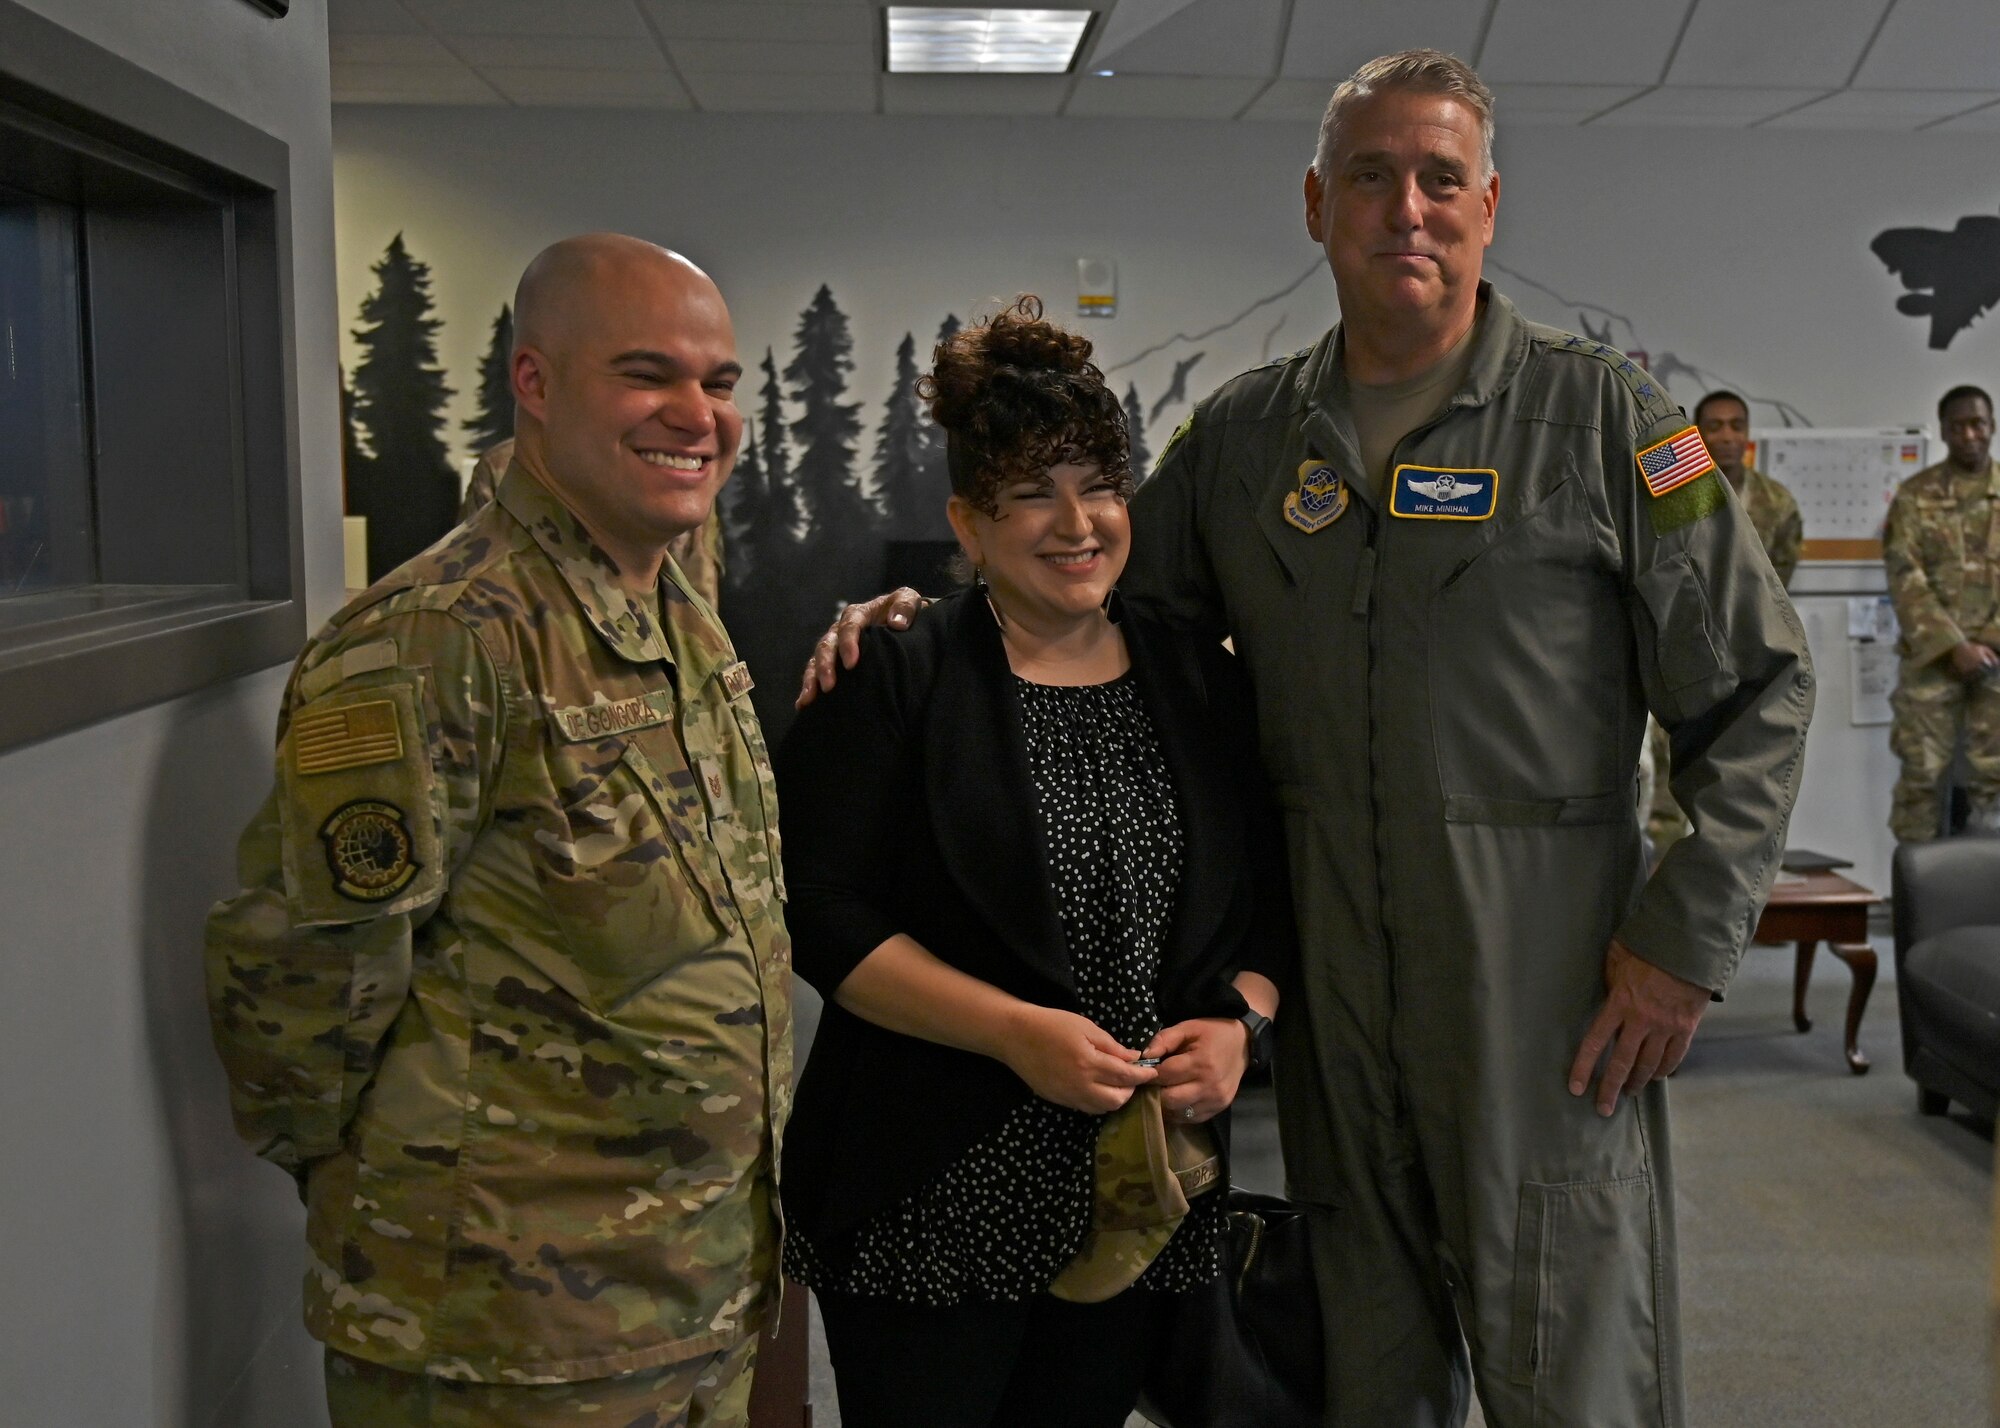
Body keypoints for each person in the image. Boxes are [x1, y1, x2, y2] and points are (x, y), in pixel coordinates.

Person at [801, 50, 1812, 1428]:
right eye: (1371, 176)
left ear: (1489, 204)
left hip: (1546, 994)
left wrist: (1682, 947)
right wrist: (921, 617)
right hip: (1331, 1008)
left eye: (1441, 178)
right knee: (1363, 1371)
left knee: (1569, 1352)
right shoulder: (1247, 439)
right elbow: (1095, 618)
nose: (1409, 207)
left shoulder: (1612, 423)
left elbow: (1754, 688)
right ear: (1315, 204)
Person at [204, 234, 790, 1427]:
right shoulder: (437, 639)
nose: (696, 414)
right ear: (533, 382)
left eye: (719, 382)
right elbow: (302, 982)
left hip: (688, 1292)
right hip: (502, 1340)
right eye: (647, 374)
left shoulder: (671, 603)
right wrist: (390, 1190)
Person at [776, 298, 1292, 1428]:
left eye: (1097, 487)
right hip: (930, 1190)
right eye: (1028, 495)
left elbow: (1271, 901)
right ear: (966, 523)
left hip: (1131, 1198)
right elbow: (817, 909)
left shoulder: (1196, 680)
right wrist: (1012, 1033)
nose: (1075, 523)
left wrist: (1240, 1026)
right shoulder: (897, 672)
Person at [1645, 388, 1805, 856]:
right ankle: (1663, 881)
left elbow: (1777, 589)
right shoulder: (1676, 487)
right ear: (1697, 432)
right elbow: (1665, 567)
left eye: (1736, 425)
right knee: (1669, 776)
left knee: (1744, 777)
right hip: (1680, 654)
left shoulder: (1777, 503)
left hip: (1748, 663)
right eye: (1714, 426)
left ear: (1749, 434)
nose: (1727, 436)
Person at [1883, 383, 2000, 840]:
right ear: (1945, 431)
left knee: (1993, 784)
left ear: (1991, 427)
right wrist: (1955, 646)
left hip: (1997, 664)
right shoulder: (1915, 497)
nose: (1970, 434)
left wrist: (1986, 642)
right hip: (1932, 665)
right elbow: (1905, 577)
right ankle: (1911, 907)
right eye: (1959, 426)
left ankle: (1988, 904)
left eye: (1979, 424)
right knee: (1922, 782)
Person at [461, 436, 727, 610]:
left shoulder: (670, 468)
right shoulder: (504, 466)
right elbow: (471, 581)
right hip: (530, 651)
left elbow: (697, 589)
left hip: (645, 659)